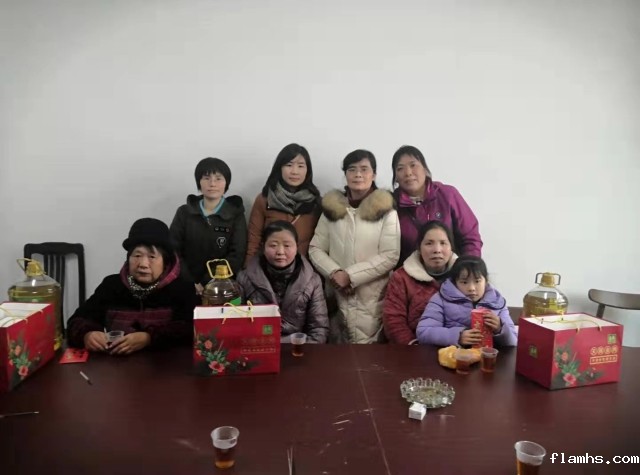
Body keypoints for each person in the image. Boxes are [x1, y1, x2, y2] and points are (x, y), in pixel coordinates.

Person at [67, 218, 199, 354]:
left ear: (166, 262)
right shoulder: (111, 286)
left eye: (152, 257)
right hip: (116, 364)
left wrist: (149, 338)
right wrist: (87, 334)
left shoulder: (182, 289)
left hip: (165, 364)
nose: (143, 264)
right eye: (137, 255)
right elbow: (76, 321)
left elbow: (191, 329)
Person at [309, 149, 400, 344]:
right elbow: (315, 248)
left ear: (374, 174)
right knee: (337, 354)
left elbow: (391, 255)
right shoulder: (332, 210)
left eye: (364, 169)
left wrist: (350, 276)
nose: (358, 174)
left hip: (371, 297)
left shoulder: (386, 211)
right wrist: (335, 273)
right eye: (352, 169)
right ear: (346, 174)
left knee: (370, 356)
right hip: (336, 295)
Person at [237, 220, 329, 343]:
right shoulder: (244, 278)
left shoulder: (312, 280)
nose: (280, 252)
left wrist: (301, 349)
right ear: (263, 247)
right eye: (273, 245)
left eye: (287, 246)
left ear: (296, 247)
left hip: (299, 347)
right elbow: (237, 325)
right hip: (259, 346)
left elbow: (319, 329)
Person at [392, 145, 482, 265]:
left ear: (425, 169)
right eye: (400, 168)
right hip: (411, 272)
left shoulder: (447, 194)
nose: (408, 173)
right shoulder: (391, 205)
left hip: (452, 270)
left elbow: (470, 237)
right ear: (396, 178)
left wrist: (467, 269)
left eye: (413, 165)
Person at [170, 157, 247, 295]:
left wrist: (209, 282)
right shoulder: (184, 212)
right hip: (186, 285)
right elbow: (173, 250)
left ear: (226, 183)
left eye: (218, 178)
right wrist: (190, 282)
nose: (212, 184)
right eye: (206, 178)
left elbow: (237, 254)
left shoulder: (235, 214)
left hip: (222, 287)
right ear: (199, 181)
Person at [245, 143, 321, 267]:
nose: (294, 171)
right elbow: (254, 240)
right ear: (279, 168)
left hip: (305, 269)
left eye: (300, 166)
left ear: (308, 170)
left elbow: (321, 245)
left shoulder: (316, 202)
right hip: (269, 268)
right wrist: (249, 270)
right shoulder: (265, 199)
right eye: (289, 165)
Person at [383, 221, 458, 345]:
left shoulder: (465, 276)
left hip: (457, 347)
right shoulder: (401, 277)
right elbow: (393, 320)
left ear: (451, 247)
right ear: (419, 247)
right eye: (429, 243)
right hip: (414, 349)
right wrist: (413, 345)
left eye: (443, 243)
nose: (437, 250)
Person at [416, 255, 517, 347]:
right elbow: (423, 332)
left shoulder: (497, 302)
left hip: (489, 358)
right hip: (452, 357)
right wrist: (457, 336)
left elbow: (514, 340)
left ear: (485, 281)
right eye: (464, 282)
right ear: (455, 282)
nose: (471, 288)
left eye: (477, 281)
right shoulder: (440, 299)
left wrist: (500, 328)